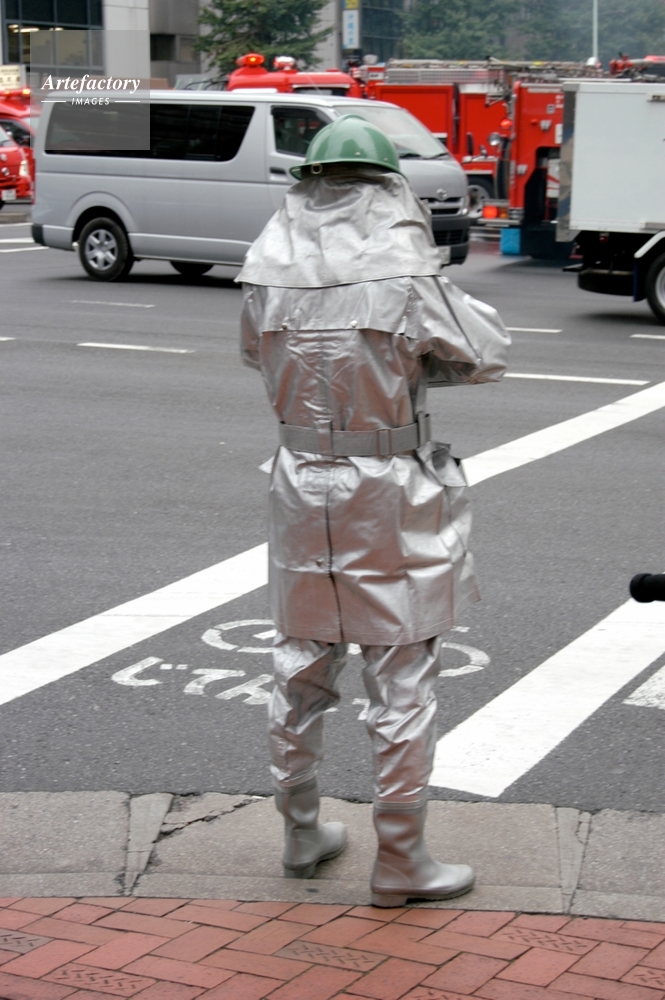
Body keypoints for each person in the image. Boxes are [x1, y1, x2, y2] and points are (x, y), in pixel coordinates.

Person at [237, 115, 510, 907]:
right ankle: (399, 858)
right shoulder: (406, 273)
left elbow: (256, 353)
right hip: (386, 484)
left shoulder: (266, 270)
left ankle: (300, 833)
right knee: (399, 671)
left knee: (300, 660)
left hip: (299, 479)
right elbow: (484, 354)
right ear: (390, 188)